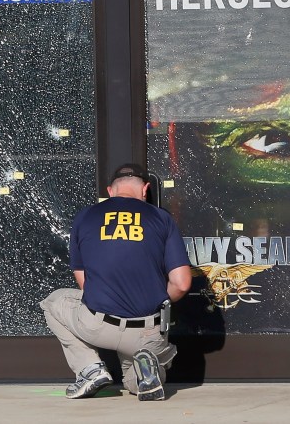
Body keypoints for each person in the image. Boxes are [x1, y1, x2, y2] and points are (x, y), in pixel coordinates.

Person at [40, 163, 192, 401]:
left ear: (110, 191)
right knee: (136, 379)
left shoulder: (87, 216)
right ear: (145, 190)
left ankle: (90, 369)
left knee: (53, 301)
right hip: (147, 330)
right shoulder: (162, 219)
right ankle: (146, 370)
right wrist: (155, 299)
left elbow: (84, 283)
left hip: (99, 325)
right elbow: (182, 283)